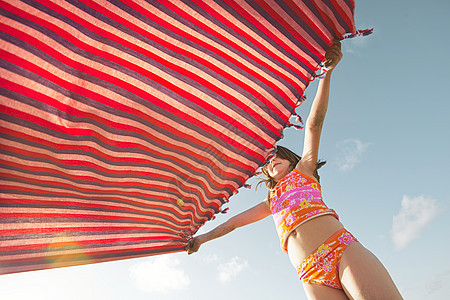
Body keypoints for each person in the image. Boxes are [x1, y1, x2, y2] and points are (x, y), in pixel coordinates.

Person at [185, 41, 403, 300]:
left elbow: (314, 124)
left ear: (290, 160)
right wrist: (200, 240)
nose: (271, 161)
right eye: (266, 162)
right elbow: (232, 224)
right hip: (309, 274)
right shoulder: (270, 202)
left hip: (340, 250)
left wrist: (327, 73)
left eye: (277, 156)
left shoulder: (305, 171)